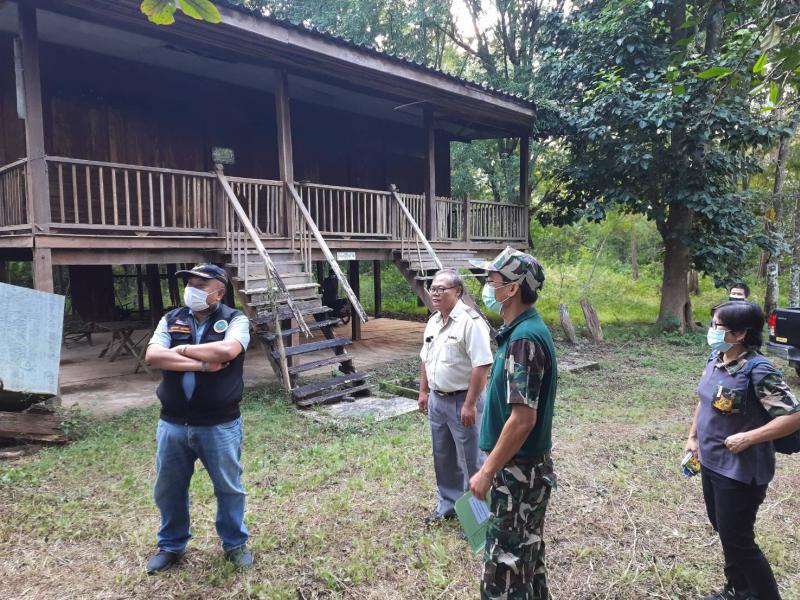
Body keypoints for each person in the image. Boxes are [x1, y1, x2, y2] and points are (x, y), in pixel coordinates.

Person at [686, 301, 800, 600]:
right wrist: (693, 437)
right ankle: (738, 591)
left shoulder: (758, 370)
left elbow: (793, 416)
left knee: (739, 541)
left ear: (739, 334)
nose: (711, 331)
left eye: (717, 326)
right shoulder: (716, 358)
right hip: (711, 461)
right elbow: (704, 400)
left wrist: (749, 437)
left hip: (740, 472)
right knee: (726, 532)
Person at [143, 264, 253, 574]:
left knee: (229, 487)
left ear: (219, 292)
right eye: (190, 284)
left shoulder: (236, 319)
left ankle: (235, 544)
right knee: (169, 488)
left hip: (219, 424)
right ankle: (171, 546)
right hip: (173, 423)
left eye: (201, 285)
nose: (192, 289)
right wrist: (202, 364)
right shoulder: (171, 318)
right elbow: (153, 356)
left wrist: (182, 350)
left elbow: (227, 351)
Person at [467, 247, 557, 600]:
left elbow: (522, 420)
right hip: (522, 469)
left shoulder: (523, 341)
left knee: (503, 571)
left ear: (513, 288)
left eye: (492, 280)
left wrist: (487, 470)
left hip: (517, 473)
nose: (487, 287)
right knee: (526, 558)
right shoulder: (520, 332)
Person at [418, 269, 493, 525]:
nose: (435, 293)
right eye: (433, 288)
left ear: (458, 292)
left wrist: (470, 404)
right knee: (443, 456)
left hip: (464, 401)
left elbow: (482, 365)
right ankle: (448, 507)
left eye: (442, 289)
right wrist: (423, 391)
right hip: (438, 400)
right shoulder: (434, 321)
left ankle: (479, 518)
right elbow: (426, 358)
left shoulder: (471, 322)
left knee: (472, 459)